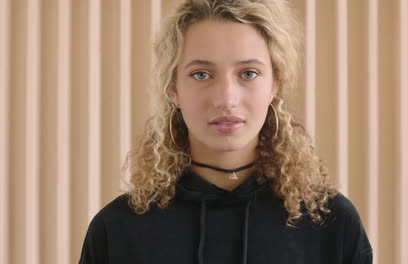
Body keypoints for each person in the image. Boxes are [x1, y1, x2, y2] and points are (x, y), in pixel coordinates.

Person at [79, 0, 373, 263]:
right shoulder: (117, 229)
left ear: (274, 85)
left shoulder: (331, 223)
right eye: (201, 74)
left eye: (248, 73)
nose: (226, 98)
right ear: (173, 89)